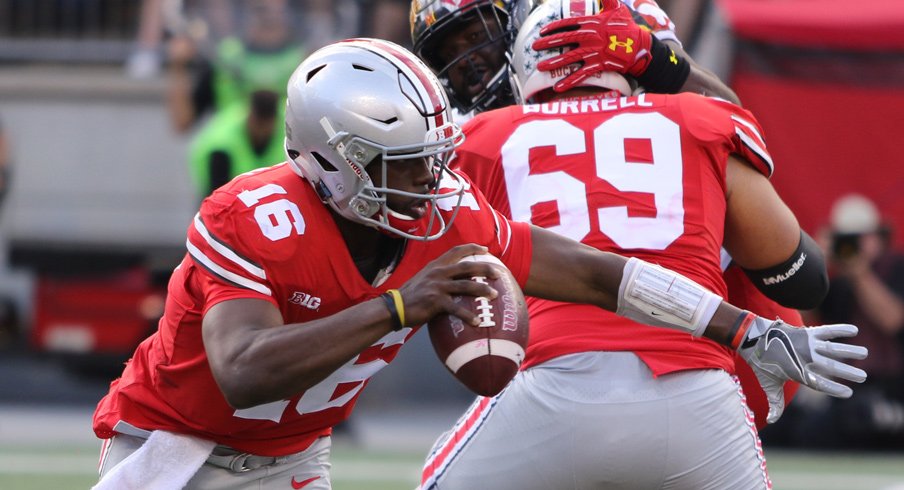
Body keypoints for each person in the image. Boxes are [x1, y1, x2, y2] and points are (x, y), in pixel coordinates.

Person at [91, 37, 864, 490]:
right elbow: (243, 370)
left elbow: (598, 272)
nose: (432, 185)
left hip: (292, 452)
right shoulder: (254, 215)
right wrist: (401, 306)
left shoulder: (443, 211)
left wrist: (742, 330)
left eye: (433, 161)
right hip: (177, 447)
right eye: (405, 166)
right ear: (331, 162)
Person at [417, 1, 858, 488]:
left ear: (522, 60)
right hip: (703, 390)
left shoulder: (481, 138)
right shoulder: (701, 121)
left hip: (552, 381)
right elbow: (806, 280)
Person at [409, 0, 738, 124]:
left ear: (515, 16)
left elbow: (727, 111)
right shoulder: (456, 128)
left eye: (475, 37)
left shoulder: (595, 15)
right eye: (449, 54)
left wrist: (649, 56)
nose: (466, 60)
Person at [779, 194, 904, 450]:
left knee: (862, 420)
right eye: (846, 239)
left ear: (879, 237)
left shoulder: (896, 269)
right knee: (798, 427)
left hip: (893, 387)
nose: (853, 247)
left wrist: (860, 274)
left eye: (859, 238)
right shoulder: (838, 284)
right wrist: (815, 267)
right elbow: (803, 321)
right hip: (850, 389)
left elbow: (894, 321)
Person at [188, 89, 286, 199]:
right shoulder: (222, 145)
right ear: (251, 116)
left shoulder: (291, 128)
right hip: (229, 196)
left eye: (267, 124)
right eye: (259, 124)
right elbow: (217, 198)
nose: (262, 131)